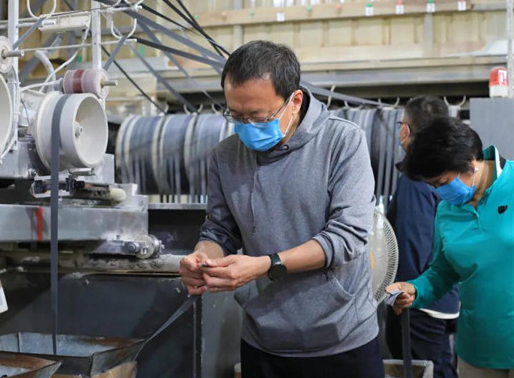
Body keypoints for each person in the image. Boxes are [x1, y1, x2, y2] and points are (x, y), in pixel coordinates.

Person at [178, 40, 384, 378]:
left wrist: (266, 265)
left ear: (295, 101)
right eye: (236, 116)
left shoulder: (342, 142)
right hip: (264, 342)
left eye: (257, 116)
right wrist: (202, 258)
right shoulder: (226, 156)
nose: (246, 126)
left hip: (341, 339)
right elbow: (219, 230)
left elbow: (348, 236)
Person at [386, 117, 514, 378]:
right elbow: (442, 273)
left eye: (442, 183)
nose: (439, 193)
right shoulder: (446, 211)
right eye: (433, 186)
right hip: (478, 351)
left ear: (469, 161)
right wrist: (415, 288)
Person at [385, 96, 459, 378]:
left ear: (406, 131)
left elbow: (411, 248)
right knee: (440, 369)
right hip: (443, 300)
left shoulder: (415, 179)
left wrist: (400, 298)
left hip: (419, 305)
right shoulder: (446, 172)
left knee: (422, 370)